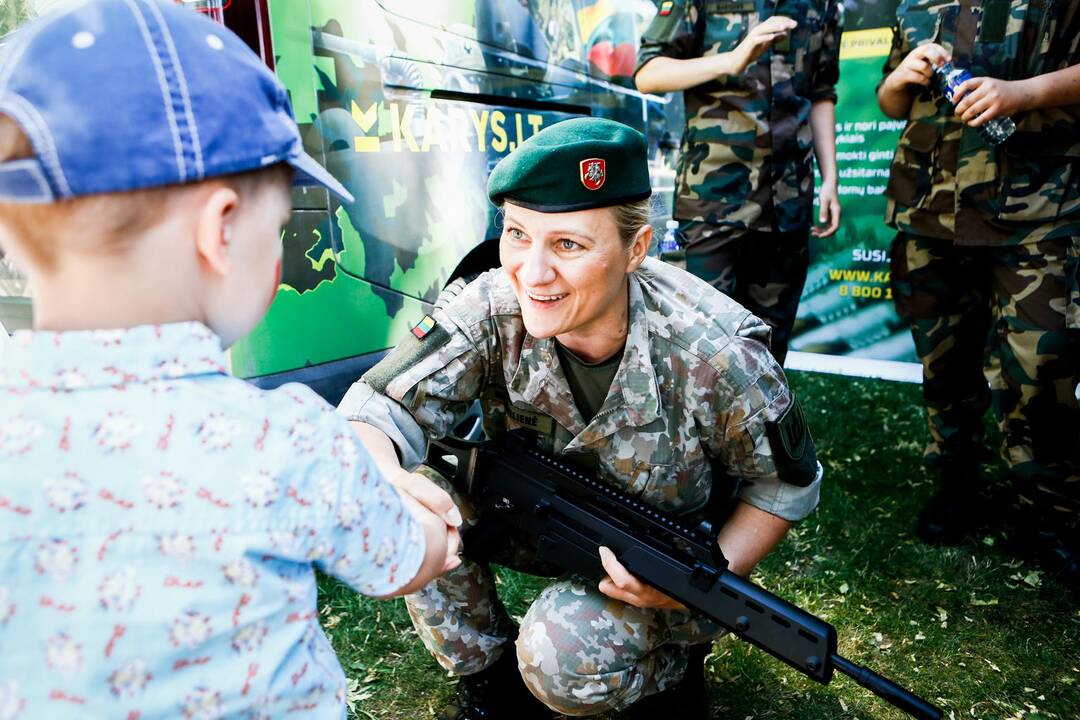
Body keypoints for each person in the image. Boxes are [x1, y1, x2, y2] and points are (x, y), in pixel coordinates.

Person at [0, 1, 461, 716]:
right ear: (220, 232)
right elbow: (408, 559)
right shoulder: (285, 440)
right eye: (278, 226)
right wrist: (423, 510)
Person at [337, 116, 822, 719]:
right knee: (416, 499)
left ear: (635, 250)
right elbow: (375, 407)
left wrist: (693, 587)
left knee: (557, 654)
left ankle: (669, 670)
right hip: (531, 515)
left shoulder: (713, 351)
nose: (532, 273)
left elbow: (784, 483)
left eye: (568, 244)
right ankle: (490, 683)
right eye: (517, 234)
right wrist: (391, 481)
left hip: (648, 562)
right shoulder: (492, 305)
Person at [878, 1, 1080, 593]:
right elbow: (892, 104)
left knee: (1040, 372)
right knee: (944, 367)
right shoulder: (916, 5)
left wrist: (1023, 94)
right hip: (929, 210)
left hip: (1036, 210)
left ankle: (1054, 517)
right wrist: (902, 76)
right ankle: (957, 485)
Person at [633, 0, 843, 365]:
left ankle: (763, 424)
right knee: (701, 350)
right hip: (713, 201)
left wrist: (831, 179)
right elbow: (648, 73)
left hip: (788, 202)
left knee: (768, 355)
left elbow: (821, 92)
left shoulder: (821, 5)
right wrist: (733, 59)